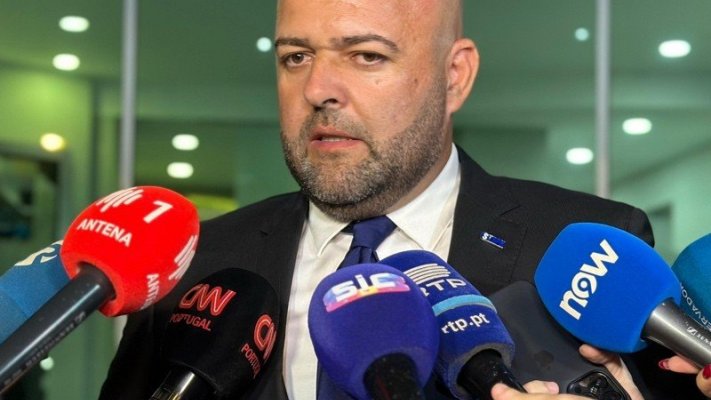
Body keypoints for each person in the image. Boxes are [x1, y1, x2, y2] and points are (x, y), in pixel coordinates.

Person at [98, 0, 700, 399]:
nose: (318, 89)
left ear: (454, 76)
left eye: (367, 56)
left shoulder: (589, 245)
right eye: (296, 57)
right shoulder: (194, 262)